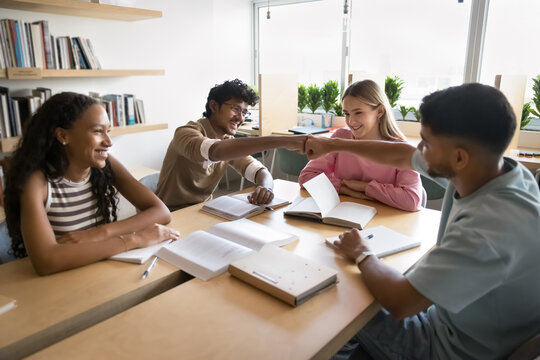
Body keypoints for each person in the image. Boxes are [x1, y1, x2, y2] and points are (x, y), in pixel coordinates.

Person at [305, 83, 540, 359]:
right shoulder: (502, 172)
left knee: (340, 288)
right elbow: (401, 155)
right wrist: (331, 144)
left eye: (426, 144)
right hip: (446, 317)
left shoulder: (489, 228)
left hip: (444, 347)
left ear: (460, 157)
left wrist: (362, 253)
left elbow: (401, 302)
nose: (419, 150)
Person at [5, 92, 179, 275]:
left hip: (99, 270)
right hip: (62, 281)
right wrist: (134, 240)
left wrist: (98, 233)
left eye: (108, 131)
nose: (109, 141)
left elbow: (161, 212)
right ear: (63, 135)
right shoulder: (37, 182)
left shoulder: (106, 164)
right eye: (97, 131)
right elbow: (47, 261)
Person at [156, 78, 306, 211]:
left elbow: (259, 171)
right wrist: (282, 140)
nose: (240, 118)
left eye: (245, 112)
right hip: (171, 214)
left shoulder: (227, 141)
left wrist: (265, 188)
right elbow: (215, 151)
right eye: (235, 109)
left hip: (204, 210)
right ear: (214, 106)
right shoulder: (186, 133)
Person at [298, 80, 423, 211]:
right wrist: (342, 187)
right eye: (347, 113)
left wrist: (364, 187)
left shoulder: (401, 150)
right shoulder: (340, 137)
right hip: (343, 214)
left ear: (380, 111)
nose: (351, 121)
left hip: (383, 219)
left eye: (358, 112)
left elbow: (412, 200)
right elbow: (306, 177)